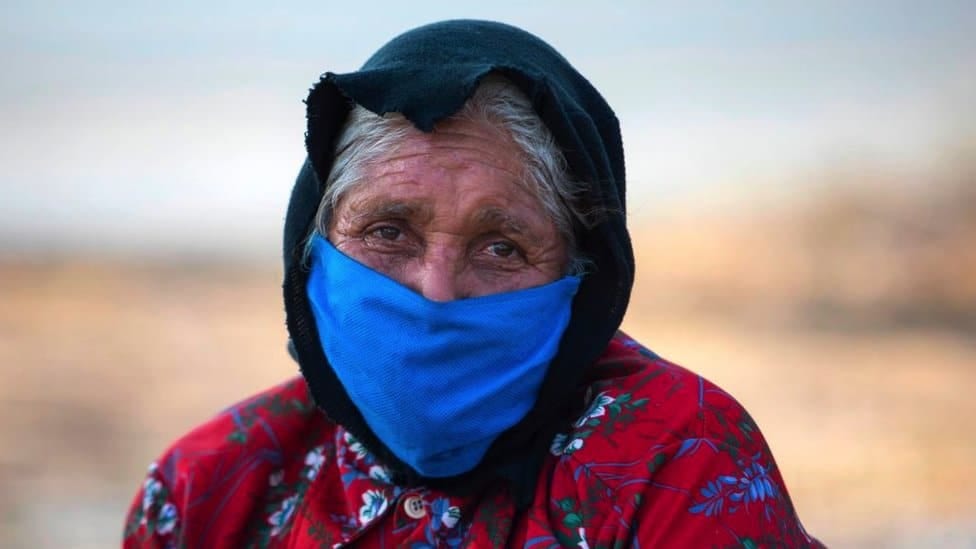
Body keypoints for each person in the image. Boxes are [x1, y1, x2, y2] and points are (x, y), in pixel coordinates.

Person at [123, 20, 822, 548]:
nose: (436, 294)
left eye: (501, 246)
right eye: (388, 230)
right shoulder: (209, 490)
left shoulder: (679, 461)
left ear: (580, 277)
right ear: (314, 242)